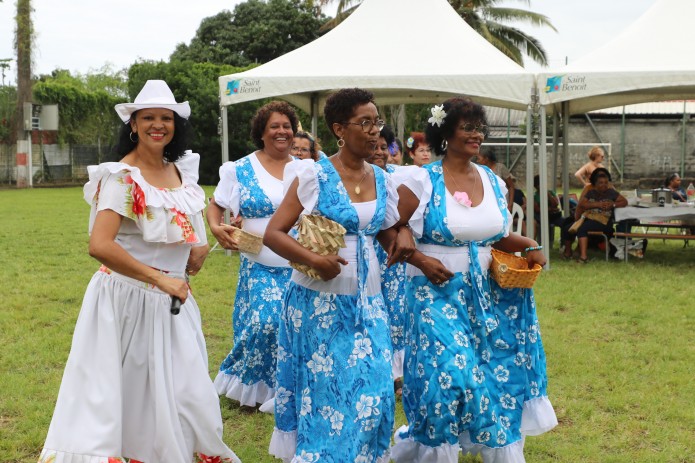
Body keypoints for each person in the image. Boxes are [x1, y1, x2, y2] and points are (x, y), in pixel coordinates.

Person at [37, 80, 240, 463]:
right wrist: (159, 278)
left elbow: (184, 227)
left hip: (173, 301)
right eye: (148, 118)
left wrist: (200, 244)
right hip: (126, 301)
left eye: (167, 118)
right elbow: (100, 245)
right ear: (133, 124)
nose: (158, 125)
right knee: (123, 396)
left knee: (187, 392)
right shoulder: (121, 177)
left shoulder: (181, 173)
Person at [390, 97, 557, 462]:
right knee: (452, 373)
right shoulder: (421, 179)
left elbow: (495, 234)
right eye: (467, 127)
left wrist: (529, 244)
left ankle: (491, 443)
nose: (476, 134)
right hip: (434, 292)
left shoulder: (492, 181)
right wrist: (418, 257)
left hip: (489, 295)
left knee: (494, 375)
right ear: (445, 133)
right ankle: (432, 449)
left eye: (479, 128)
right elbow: (387, 226)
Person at [264, 88, 400, 462]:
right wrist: (316, 260)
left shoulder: (383, 179)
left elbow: (387, 231)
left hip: (368, 302)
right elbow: (273, 233)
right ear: (340, 129)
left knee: (376, 392)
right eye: (365, 123)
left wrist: (407, 243)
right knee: (328, 401)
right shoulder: (313, 174)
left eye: (378, 122)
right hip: (316, 305)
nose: (375, 131)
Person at [207, 101, 300, 408]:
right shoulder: (240, 169)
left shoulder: (305, 168)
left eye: (287, 126)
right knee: (263, 324)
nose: (282, 132)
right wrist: (215, 227)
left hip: (299, 263)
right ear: (262, 132)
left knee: (294, 326)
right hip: (258, 262)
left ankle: (284, 391)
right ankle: (250, 388)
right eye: (274, 126)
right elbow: (216, 203)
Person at [369, 123, 408, 393]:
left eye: (385, 147)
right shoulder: (358, 176)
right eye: (374, 146)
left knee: (396, 315)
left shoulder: (399, 176)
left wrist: (404, 230)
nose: (380, 152)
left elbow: (405, 216)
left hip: (392, 258)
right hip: (367, 254)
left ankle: (396, 373)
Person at [562, 168, 627, 262]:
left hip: (604, 222)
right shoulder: (591, 192)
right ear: (595, 184)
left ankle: (583, 257)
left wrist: (613, 204)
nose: (604, 185)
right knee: (568, 227)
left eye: (606, 182)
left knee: (582, 228)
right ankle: (568, 253)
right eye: (601, 183)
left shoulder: (611, 192)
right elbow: (582, 204)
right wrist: (598, 204)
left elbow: (624, 202)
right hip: (589, 218)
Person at [533, 174, 565, 240]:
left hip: (553, 216)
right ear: (537, 186)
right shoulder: (535, 196)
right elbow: (537, 209)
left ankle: (563, 242)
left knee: (565, 223)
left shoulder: (551, 192)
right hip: (541, 217)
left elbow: (556, 203)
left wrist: (548, 195)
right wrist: (551, 209)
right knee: (544, 224)